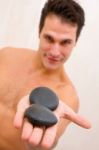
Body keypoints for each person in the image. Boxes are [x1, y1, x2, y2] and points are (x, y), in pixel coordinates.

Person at [0, 0, 91, 150]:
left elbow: (49, 141)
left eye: (65, 42)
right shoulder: (6, 55)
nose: (55, 52)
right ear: (39, 31)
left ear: (76, 41)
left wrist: (37, 145)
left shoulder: (67, 96)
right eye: (49, 38)